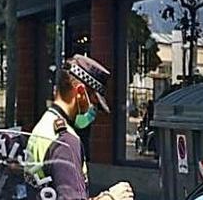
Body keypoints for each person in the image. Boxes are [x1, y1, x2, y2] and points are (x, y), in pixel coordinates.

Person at [28, 55, 133, 200]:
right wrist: (111, 198)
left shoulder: (45, 125)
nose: (93, 109)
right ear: (80, 93)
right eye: (94, 102)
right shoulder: (66, 142)